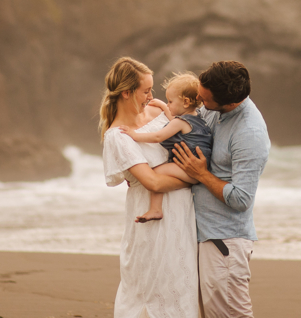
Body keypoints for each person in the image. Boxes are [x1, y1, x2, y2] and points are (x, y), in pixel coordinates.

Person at [100, 57, 199, 318]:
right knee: (152, 287)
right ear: (126, 93)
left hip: (182, 214)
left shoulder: (159, 112)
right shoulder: (117, 136)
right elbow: (152, 182)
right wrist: (198, 176)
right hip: (151, 220)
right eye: (145, 91)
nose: (151, 96)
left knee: (182, 282)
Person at [173, 60, 270, 318]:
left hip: (224, 242)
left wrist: (202, 174)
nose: (200, 103)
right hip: (202, 235)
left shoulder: (250, 133)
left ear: (230, 102)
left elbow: (241, 198)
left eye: (205, 100)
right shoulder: (213, 109)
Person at [121, 72, 214, 223]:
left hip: (190, 170)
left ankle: (156, 209)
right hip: (200, 167)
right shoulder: (196, 117)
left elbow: (159, 136)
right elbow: (174, 121)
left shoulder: (180, 123)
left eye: (170, 101)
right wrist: (163, 105)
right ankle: (157, 207)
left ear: (185, 102)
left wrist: (135, 135)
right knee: (160, 171)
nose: (168, 105)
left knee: (155, 171)